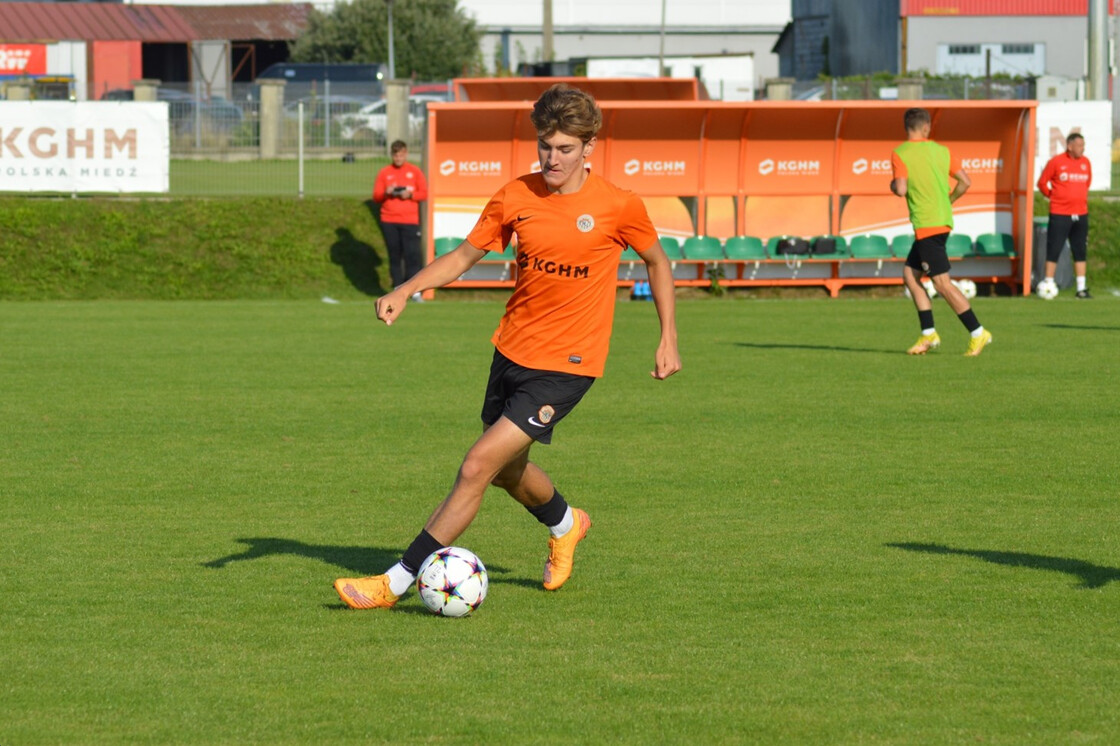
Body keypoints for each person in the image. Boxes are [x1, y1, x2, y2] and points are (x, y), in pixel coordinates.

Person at [335, 84, 682, 610]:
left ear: (589, 148)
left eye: (566, 148)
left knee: (477, 465)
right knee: (507, 473)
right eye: (546, 145)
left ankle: (395, 582)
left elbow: (658, 262)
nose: (553, 158)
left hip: (568, 366)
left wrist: (667, 337)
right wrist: (406, 289)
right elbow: (461, 257)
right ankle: (568, 524)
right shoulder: (516, 195)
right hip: (512, 352)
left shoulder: (617, 206)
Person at [890, 107, 992, 357]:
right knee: (910, 275)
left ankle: (978, 333)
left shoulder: (900, 153)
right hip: (940, 221)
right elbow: (965, 182)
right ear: (926, 127)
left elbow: (901, 190)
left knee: (942, 284)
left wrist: (893, 183)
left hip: (927, 225)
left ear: (907, 127)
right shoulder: (941, 151)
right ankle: (928, 334)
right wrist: (949, 201)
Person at [1037, 133, 1092, 299]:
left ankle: (1081, 288)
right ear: (1070, 146)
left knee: (1080, 249)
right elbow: (1041, 183)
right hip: (1060, 212)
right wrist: (1053, 196)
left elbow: (1087, 183)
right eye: (1079, 145)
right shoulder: (1056, 162)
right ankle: (1048, 283)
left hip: (1081, 213)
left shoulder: (1085, 162)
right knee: (1054, 247)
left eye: (1083, 145)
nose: (1082, 148)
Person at [373, 140, 428, 301]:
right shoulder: (385, 173)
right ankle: (397, 288)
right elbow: (376, 196)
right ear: (392, 155)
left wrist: (410, 194)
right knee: (394, 255)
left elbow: (424, 193)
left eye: (401, 154)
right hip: (389, 220)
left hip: (410, 220)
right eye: (395, 155)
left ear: (406, 154)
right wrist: (387, 192)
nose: (398, 158)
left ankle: (414, 291)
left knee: (412, 255)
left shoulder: (414, 171)